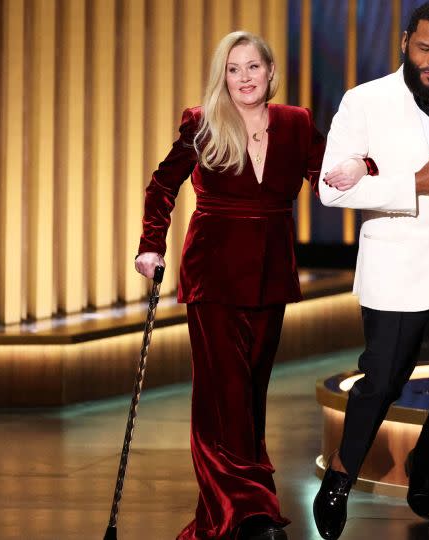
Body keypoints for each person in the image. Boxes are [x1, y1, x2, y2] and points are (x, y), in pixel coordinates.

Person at [312, 3, 429, 539]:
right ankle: (344, 472)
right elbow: (330, 187)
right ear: (404, 43)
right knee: (384, 378)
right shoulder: (365, 101)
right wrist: (410, 184)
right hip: (396, 263)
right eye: (425, 49)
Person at [134, 31, 327, 540]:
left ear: (270, 72)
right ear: (224, 76)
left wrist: (369, 169)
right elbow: (162, 184)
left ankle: (224, 514)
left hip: (270, 276)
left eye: (252, 67)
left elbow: (328, 177)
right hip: (213, 275)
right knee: (224, 396)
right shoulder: (202, 123)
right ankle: (251, 511)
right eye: (233, 69)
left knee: (249, 397)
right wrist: (151, 245)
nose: (244, 78)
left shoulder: (296, 123)